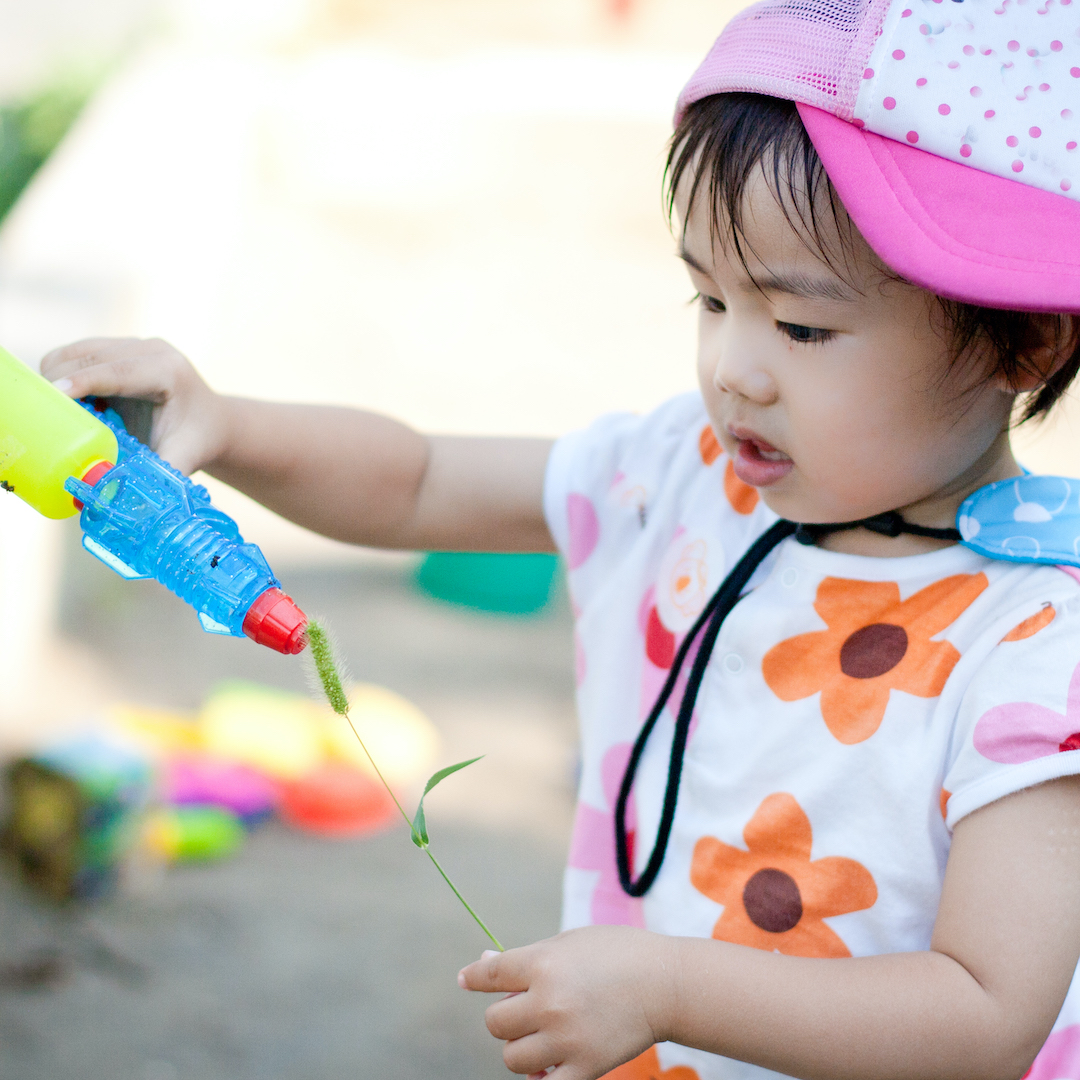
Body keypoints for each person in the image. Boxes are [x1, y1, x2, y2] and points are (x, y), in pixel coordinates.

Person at [40, 0, 1080, 1076]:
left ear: (1025, 343)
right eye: (710, 298)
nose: (734, 367)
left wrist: (670, 986)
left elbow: (985, 1010)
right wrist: (230, 424)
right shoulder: (687, 476)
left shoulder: (1037, 640)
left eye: (802, 324)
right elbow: (420, 481)